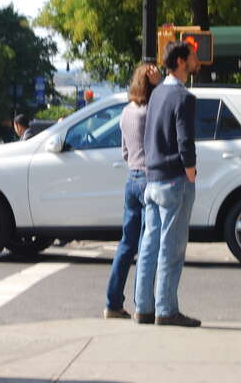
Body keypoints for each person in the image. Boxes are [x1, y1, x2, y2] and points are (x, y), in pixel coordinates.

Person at [134, 41, 201, 327]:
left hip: (153, 179)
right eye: (193, 56)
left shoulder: (157, 94)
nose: (197, 60)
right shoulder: (183, 97)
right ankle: (166, 310)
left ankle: (144, 308)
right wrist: (190, 170)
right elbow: (184, 138)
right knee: (172, 248)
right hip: (175, 179)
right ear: (182, 61)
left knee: (149, 246)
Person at [103, 63, 161, 319]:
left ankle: (112, 302)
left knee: (127, 244)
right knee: (148, 245)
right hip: (151, 178)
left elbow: (125, 152)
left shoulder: (127, 111)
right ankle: (143, 302)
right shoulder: (152, 110)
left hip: (132, 177)